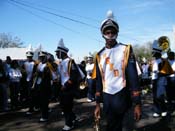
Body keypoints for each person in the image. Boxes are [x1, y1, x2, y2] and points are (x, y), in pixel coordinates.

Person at [93, 10, 141, 131]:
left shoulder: (126, 50)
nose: (110, 34)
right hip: (107, 97)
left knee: (115, 125)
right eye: (107, 32)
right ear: (102, 34)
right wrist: (97, 104)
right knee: (112, 124)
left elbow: (133, 77)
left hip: (121, 95)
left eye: (113, 32)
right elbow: (99, 81)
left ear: (117, 33)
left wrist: (137, 103)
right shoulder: (99, 55)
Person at [55, 38, 80, 131]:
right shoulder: (61, 62)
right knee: (64, 106)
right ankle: (73, 118)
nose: (56, 54)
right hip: (62, 88)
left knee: (67, 107)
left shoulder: (70, 62)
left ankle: (69, 124)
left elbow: (74, 76)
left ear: (62, 52)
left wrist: (65, 85)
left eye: (58, 52)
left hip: (68, 88)